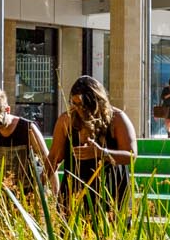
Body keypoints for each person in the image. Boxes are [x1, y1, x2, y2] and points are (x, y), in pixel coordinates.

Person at [48, 75, 137, 218]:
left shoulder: (117, 119)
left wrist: (102, 153)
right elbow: (54, 157)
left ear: (97, 101)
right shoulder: (67, 120)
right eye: (75, 104)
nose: (79, 110)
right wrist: (37, 186)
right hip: (75, 194)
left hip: (110, 193)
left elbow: (131, 156)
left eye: (83, 105)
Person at [0, 89, 51, 207]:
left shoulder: (28, 129)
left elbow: (50, 164)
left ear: (7, 110)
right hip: (4, 198)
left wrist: (54, 199)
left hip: (30, 198)